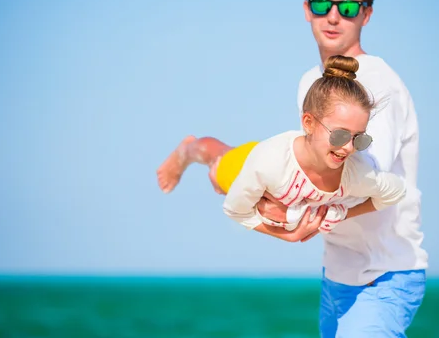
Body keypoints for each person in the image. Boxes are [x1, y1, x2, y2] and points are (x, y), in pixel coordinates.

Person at [255, 0, 428, 337]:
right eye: (322, 4)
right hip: (338, 274)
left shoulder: (379, 84)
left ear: (365, 14)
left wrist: (287, 204)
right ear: (306, 9)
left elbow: (364, 176)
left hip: (384, 275)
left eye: (348, 8)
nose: (333, 16)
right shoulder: (309, 83)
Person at [157, 55, 406, 243]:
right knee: (216, 158)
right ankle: (187, 149)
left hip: (276, 172)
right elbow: (235, 210)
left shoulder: (356, 173)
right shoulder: (269, 164)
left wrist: (339, 214)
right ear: (308, 123)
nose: (349, 148)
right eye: (340, 135)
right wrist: (289, 235)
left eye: (359, 139)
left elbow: (394, 192)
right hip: (250, 164)